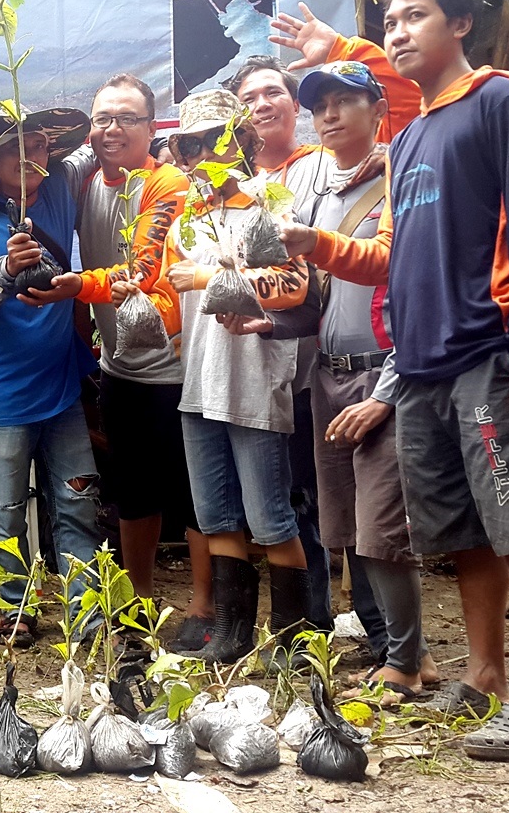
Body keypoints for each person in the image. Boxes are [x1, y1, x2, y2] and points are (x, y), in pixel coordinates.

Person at [282, 0, 509, 759]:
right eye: (392, 19)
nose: (398, 31)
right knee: (462, 532)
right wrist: (320, 246)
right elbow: (397, 259)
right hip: (420, 365)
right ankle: (480, 678)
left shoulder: (499, 101)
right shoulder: (408, 141)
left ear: (461, 23)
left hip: (488, 355)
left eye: (415, 15)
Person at [225, 60, 442, 701]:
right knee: (343, 527)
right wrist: (270, 323)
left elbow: (410, 286)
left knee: (381, 530)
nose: (329, 115)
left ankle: (406, 659)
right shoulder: (324, 197)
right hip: (329, 372)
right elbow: (322, 301)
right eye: (320, 105)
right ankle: (396, 653)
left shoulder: (401, 183)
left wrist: (386, 395)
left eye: (346, 101)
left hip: (384, 372)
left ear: (379, 111)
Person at [1, 74, 214, 652]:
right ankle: (138, 600)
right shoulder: (87, 178)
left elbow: (141, 273)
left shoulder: (166, 184)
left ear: (151, 127)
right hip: (120, 368)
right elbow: (19, 176)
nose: (111, 129)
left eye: (126, 118)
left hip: (175, 367)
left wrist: (73, 288)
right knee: (133, 490)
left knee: (191, 492)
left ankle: (204, 606)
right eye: (102, 119)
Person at [154, 89, 312, 665]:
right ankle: (231, 631)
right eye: (192, 144)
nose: (201, 154)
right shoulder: (186, 223)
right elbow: (171, 301)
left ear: (242, 141)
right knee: (214, 514)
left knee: (271, 517)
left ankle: (294, 641)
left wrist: (207, 279)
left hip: (254, 384)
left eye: (215, 139)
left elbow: (297, 289)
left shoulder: (273, 208)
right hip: (198, 385)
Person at [0, 105, 99, 648]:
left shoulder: (57, 188)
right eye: (17, 148)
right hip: (5, 398)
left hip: (62, 392)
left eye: (39, 146)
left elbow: (97, 143)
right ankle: (16, 610)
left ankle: (89, 614)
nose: (33, 157)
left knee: (79, 502)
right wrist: (6, 269)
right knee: (6, 513)